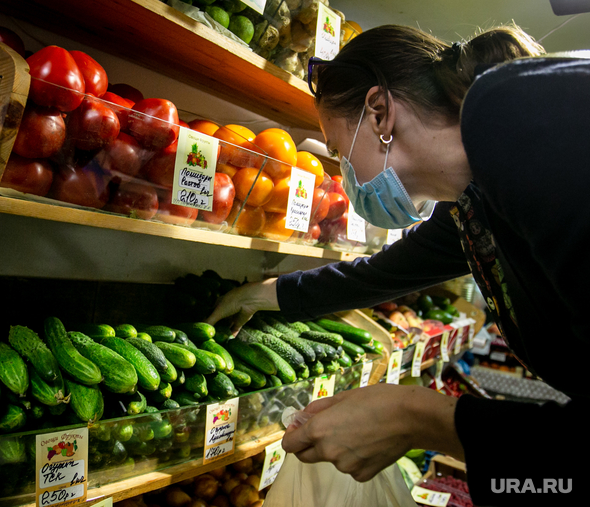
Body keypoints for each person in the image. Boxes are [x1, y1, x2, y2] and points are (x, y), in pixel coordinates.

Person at [206, 24, 590, 506]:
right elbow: (379, 275)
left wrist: (419, 418)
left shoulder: (509, 108)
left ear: (379, 112)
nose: (344, 174)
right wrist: (262, 294)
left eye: (337, 152)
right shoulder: (474, 203)